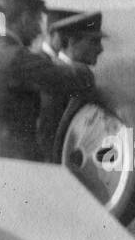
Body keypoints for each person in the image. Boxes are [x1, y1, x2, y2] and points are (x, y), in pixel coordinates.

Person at [0, 0, 92, 161]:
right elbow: (71, 79)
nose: (39, 31)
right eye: (37, 21)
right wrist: (78, 64)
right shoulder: (16, 57)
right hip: (17, 159)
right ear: (25, 19)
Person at [36, 11, 108, 158]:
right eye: (94, 41)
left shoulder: (68, 76)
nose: (101, 49)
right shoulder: (62, 80)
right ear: (72, 41)